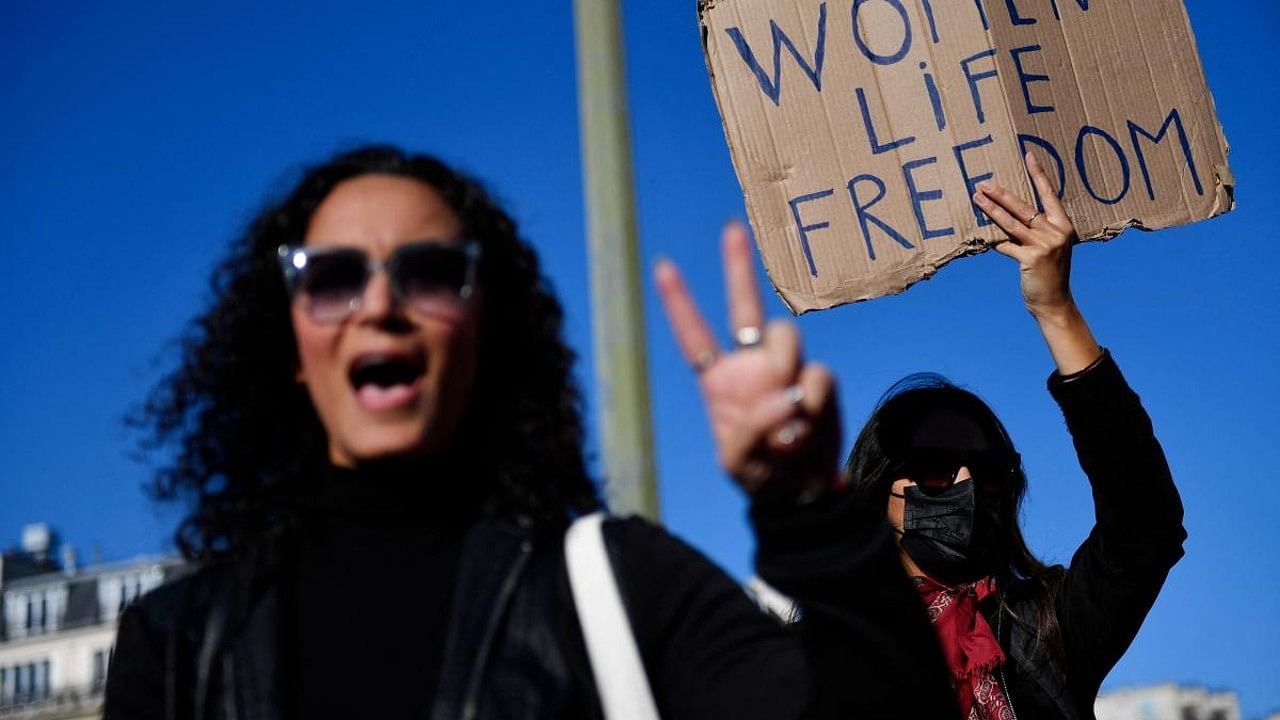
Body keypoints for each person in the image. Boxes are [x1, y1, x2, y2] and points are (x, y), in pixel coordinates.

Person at [107, 144, 958, 719]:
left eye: (430, 273)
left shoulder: (615, 589)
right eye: (331, 279)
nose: (379, 307)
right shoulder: (178, 646)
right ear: (288, 341)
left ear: (485, 331)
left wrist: (805, 505)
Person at [842, 154, 1187, 720]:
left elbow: (1144, 525)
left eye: (988, 469)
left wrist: (1056, 309)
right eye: (932, 467)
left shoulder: (1045, 631)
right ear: (877, 491)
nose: (964, 482)